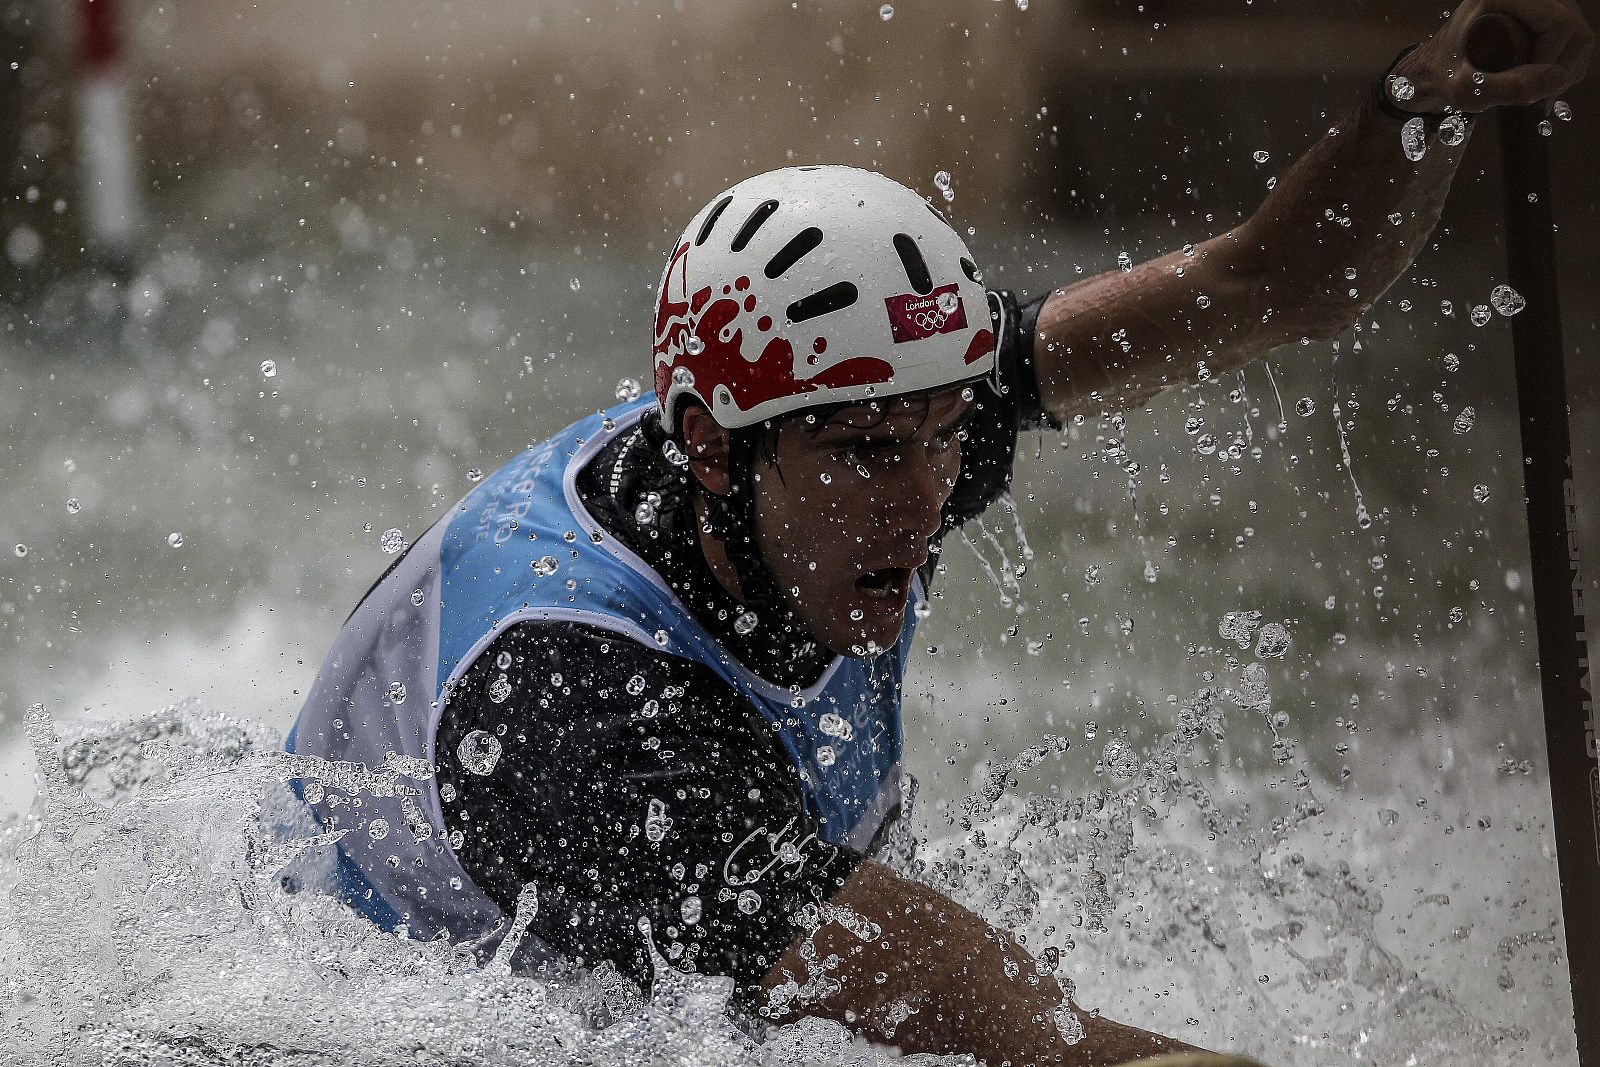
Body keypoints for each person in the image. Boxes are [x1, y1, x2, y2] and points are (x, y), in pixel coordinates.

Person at [283, 2, 1590, 1064]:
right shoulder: (570, 692)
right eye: (867, 454)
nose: (921, 499)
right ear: (712, 450)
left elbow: (1271, 281)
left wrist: (1421, 105)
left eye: (949, 434)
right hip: (351, 1020)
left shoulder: (861, 417)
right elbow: (966, 1005)